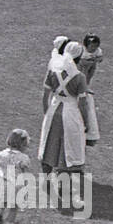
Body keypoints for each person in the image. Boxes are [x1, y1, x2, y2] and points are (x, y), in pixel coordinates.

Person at [39, 41, 88, 172]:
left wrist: (47, 114)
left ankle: (47, 178)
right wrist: (85, 122)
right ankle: (64, 180)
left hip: (54, 109)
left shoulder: (53, 71)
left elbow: (45, 96)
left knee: (49, 143)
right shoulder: (80, 77)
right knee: (69, 146)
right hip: (70, 113)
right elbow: (83, 104)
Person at [0, 129, 32, 224]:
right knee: (14, 206)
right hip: (15, 184)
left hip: (2, 181)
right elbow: (24, 170)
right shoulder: (23, 158)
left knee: (3, 200)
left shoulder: (2, 154)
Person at [80, 34, 103, 146]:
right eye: (91, 46)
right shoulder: (83, 52)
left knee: (91, 71)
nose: (93, 49)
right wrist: (90, 61)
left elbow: (100, 59)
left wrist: (95, 60)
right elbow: (82, 62)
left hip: (91, 65)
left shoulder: (97, 51)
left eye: (95, 46)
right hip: (83, 65)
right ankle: (84, 85)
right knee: (84, 72)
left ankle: (87, 85)